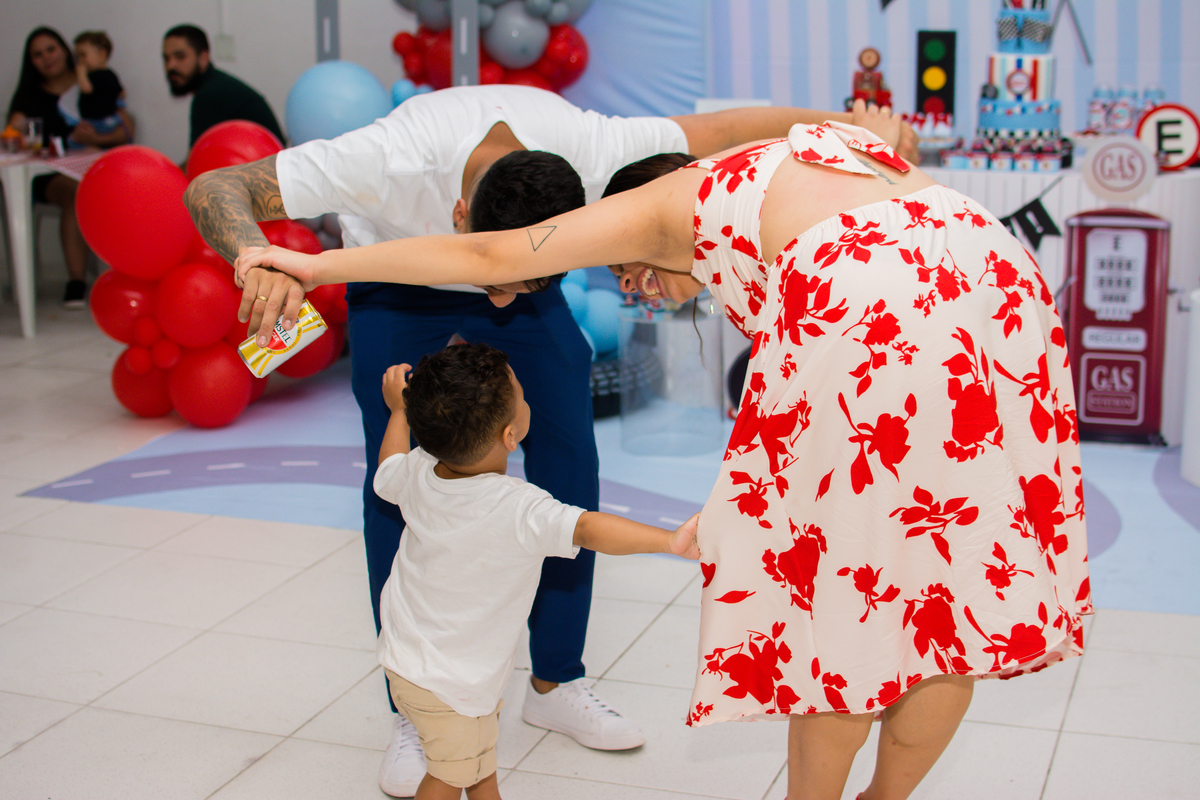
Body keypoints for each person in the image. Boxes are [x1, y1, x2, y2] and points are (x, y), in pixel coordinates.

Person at [234, 101, 1092, 800]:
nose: (645, 293)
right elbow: (747, 122)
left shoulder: (661, 201)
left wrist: (310, 268)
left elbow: (486, 253)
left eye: (634, 276)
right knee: (940, 592)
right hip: (996, 283)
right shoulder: (793, 161)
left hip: (874, 303)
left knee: (847, 607)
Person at [375, 341, 699, 800]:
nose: (527, 400)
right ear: (511, 435)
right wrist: (667, 541)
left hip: (407, 662)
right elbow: (588, 528)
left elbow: (386, 469)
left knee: (478, 767)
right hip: (453, 685)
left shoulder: (421, 468)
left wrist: (398, 412)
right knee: (447, 779)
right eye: (522, 396)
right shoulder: (518, 508)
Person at [6, 27, 134, 308]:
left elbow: (126, 128)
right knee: (77, 192)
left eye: (50, 49)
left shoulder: (96, 80)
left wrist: (95, 139)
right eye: (37, 55)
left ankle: (127, 275)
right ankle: (76, 281)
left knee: (117, 189)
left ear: (65, 50)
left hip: (96, 168)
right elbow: (14, 135)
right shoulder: (29, 95)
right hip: (48, 175)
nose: (46, 58)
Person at [162, 24, 285, 147]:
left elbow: (197, 161)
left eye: (180, 57)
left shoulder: (208, 96)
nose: (170, 66)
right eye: (166, 58)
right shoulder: (217, 84)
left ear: (203, 58)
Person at [68, 31, 130, 142]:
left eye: (83, 55)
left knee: (74, 141)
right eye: (77, 57)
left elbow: (86, 89)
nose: (80, 61)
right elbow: (122, 93)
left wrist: (80, 73)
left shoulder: (96, 76)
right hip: (106, 119)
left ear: (102, 54)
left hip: (98, 122)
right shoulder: (111, 74)